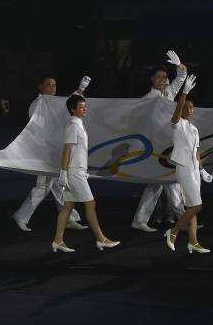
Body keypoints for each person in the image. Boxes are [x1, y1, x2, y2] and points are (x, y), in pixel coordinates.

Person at [12, 75, 89, 232]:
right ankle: (21, 216)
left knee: (58, 186)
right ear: (40, 87)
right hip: (45, 153)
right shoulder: (37, 105)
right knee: (43, 187)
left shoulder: (53, 104)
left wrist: (81, 89)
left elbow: (70, 103)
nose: (52, 88)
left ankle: (69, 218)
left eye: (54, 85)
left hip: (54, 151)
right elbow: (39, 131)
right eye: (48, 85)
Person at [52, 95, 120, 252]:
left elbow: (78, 151)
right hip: (74, 173)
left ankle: (58, 240)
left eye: (85, 106)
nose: (85, 109)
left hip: (78, 171)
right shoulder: (73, 126)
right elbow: (66, 151)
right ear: (72, 109)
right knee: (90, 204)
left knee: (67, 207)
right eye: (81, 107)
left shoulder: (79, 124)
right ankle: (101, 238)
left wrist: (83, 170)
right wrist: (63, 173)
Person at [131, 51, 187, 232]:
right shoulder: (147, 100)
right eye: (159, 77)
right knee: (171, 182)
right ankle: (183, 221)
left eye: (165, 77)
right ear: (152, 79)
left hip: (169, 146)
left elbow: (181, 78)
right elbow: (139, 124)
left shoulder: (169, 94)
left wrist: (179, 66)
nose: (163, 80)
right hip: (155, 149)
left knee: (157, 185)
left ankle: (140, 220)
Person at [164, 75, 213, 254]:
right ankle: (174, 232)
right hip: (183, 167)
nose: (189, 109)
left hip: (193, 169)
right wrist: (184, 93)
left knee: (192, 206)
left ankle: (193, 241)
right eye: (186, 107)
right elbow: (176, 113)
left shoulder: (194, 129)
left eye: (191, 107)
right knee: (196, 206)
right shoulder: (177, 125)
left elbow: (196, 152)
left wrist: (202, 170)